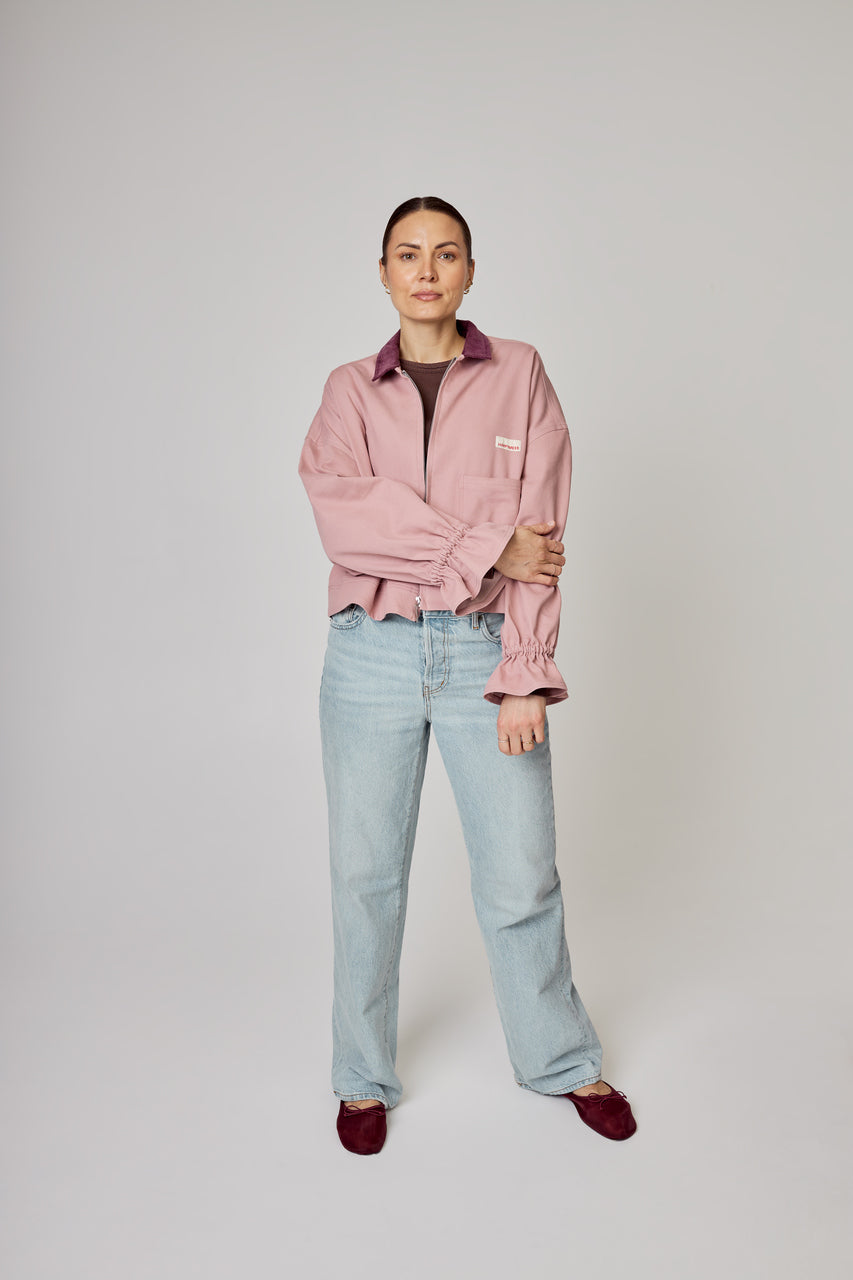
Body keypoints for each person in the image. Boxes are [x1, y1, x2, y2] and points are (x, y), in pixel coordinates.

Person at [299, 196, 637, 1155]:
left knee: (521, 873)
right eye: (407, 254)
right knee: (364, 877)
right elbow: (345, 521)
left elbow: (545, 534)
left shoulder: (519, 373)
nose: (426, 270)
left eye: (445, 254)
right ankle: (361, 1078)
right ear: (382, 273)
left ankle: (559, 1060)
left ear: (470, 271)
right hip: (369, 651)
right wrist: (486, 545)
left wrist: (525, 670)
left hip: (487, 650)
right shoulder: (346, 391)